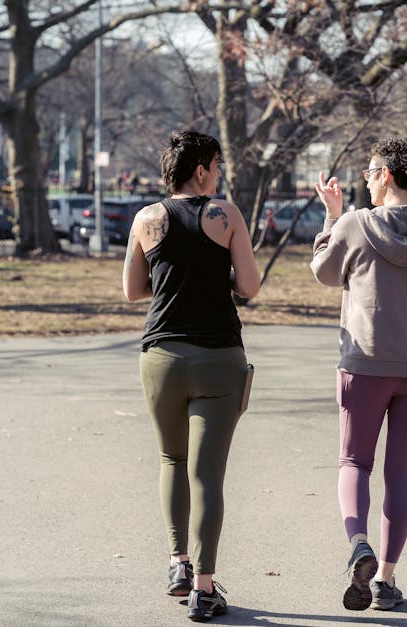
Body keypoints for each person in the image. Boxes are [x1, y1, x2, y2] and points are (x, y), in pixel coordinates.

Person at [310, 137, 407, 612]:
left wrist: (332, 217)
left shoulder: (354, 224)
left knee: (354, 463)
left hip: (365, 363)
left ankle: (358, 545)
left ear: (387, 173)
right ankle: (386, 581)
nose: (365, 179)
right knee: (401, 473)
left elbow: (324, 273)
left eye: (370, 171)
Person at [122, 130, 261, 622]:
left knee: (171, 459)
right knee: (208, 473)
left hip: (160, 356)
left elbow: (134, 291)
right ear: (201, 169)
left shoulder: (147, 218)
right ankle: (205, 588)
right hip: (218, 357)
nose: (218, 174)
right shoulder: (226, 217)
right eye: (217, 166)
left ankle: (178, 564)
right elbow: (249, 286)